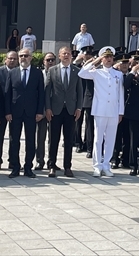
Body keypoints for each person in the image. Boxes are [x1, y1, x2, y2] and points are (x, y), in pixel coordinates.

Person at [79, 47, 125, 177]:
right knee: (98, 139)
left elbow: (120, 94)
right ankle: (97, 165)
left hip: (113, 111)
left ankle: (106, 165)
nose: (109, 59)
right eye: (106, 57)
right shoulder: (96, 72)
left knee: (110, 139)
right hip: (100, 110)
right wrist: (95, 61)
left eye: (110, 57)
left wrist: (120, 111)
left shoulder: (118, 74)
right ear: (102, 59)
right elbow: (81, 73)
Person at [3, 46, 44, 179]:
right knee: (14, 140)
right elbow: (7, 93)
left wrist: (39, 111)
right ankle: (15, 167)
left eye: (26, 56)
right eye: (21, 56)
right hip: (15, 112)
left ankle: (28, 167)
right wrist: (7, 111)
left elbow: (41, 94)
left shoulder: (37, 73)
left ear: (31, 58)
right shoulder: (12, 72)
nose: (23, 58)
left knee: (30, 140)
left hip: (31, 112)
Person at [44, 45, 81, 178]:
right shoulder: (53, 70)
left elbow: (79, 91)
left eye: (68, 54)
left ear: (71, 56)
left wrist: (78, 108)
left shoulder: (76, 71)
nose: (66, 56)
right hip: (55, 110)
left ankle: (67, 166)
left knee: (69, 139)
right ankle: (52, 166)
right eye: (63, 54)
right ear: (59, 56)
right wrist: (47, 108)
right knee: (53, 139)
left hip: (70, 110)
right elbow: (47, 91)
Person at [0, 51, 18, 171]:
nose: (12, 61)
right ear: (5, 60)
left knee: (14, 137)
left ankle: (12, 161)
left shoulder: (19, 72)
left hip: (15, 109)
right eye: (10, 58)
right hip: (0, 110)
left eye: (14, 59)